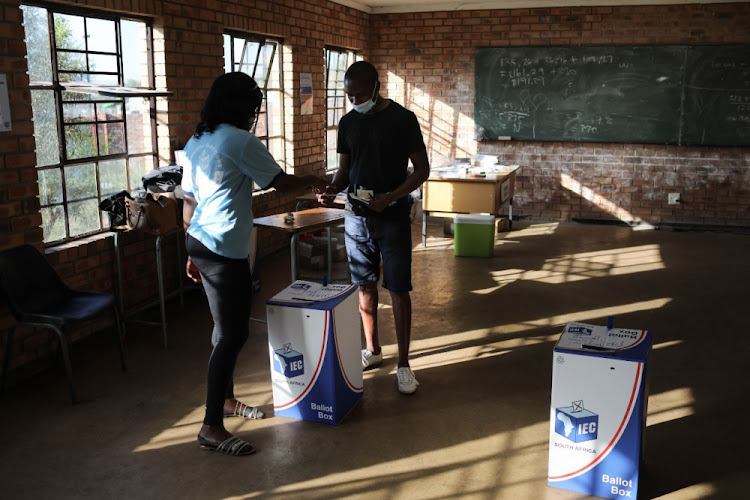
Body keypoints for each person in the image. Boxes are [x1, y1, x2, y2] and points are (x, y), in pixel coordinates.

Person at [181, 72, 328, 456]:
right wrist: (315, 180)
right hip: (225, 247)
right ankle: (211, 426)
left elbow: (189, 203)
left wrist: (191, 250)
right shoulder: (241, 140)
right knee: (233, 335)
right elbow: (280, 183)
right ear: (244, 106)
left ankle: (227, 400)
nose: (255, 113)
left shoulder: (198, 140)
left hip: (199, 239)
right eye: (253, 105)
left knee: (222, 328)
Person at [318, 61, 430, 395]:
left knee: (397, 288)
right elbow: (344, 170)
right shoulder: (348, 122)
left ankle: (405, 365)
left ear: (377, 87)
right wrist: (332, 189)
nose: (355, 100)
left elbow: (422, 169)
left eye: (360, 94)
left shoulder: (402, 119)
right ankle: (373, 350)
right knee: (364, 286)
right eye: (350, 95)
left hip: (392, 216)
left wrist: (392, 197)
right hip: (356, 216)